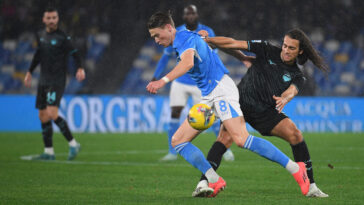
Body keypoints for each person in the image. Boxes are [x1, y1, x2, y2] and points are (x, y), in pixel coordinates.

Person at [146, 11, 309, 197]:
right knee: (178, 141)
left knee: (241, 139)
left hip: (221, 90)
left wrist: (162, 81)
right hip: (209, 94)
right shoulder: (186, 38)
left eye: (157, 35)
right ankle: (214, 180)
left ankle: (296, 169)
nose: (156, 40)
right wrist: (241, 57)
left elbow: (188, 63)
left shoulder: (182, 38)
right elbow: (210, 50)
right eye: (153, 37)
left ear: (169, 28)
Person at [193, 28, 329, 197]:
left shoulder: (297, 75)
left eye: (291, 48)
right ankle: (204, 182)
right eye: (285, 45)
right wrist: (210, 40)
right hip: (240, 103)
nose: (286, 50)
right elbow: (234, 43)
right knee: (224, 138)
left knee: (295, 134)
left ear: (300, 51)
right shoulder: (267, 49)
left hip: (265, 111)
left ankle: (311, 186)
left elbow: (292, 91)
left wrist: (285, 99)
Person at [152, 5, 234, 162]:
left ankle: (226, 148)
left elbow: (212, 52)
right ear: (184, 16)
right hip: (181, 81)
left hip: (199, 83)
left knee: (210, 116)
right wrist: (156, 76)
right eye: (187, 13)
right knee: (174, 112)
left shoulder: (206, 31)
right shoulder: (176, 33)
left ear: (197, 15)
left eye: (192, 13)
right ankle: (172, 151)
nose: (190, 16)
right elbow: (165, 57)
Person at [24, 7, 86, 160]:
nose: (52, 21)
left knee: (52, 113)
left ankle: (73, 144)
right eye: (49, 18)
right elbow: (38, 54)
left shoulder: (63, 37)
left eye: (54, 18)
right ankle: (49, 152)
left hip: (57, 80)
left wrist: (80, 68)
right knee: (43, 115)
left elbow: (75, 53)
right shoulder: (40, 35)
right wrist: (29, 71)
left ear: (57, 19)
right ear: (44, 20)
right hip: (43, 80)